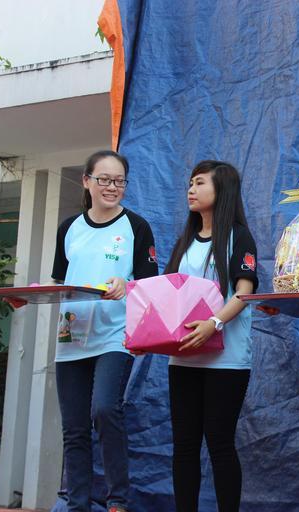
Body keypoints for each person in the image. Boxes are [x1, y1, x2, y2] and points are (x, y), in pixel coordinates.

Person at [51, 150, 158, 512]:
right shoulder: (69, 228)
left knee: (105, 410)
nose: (112, 187)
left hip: (115, 336)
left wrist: (126, 285)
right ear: (87, 181)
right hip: (71, 337)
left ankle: (117, 500)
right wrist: (29, 297)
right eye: (104, 180)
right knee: (74, 428)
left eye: (119, 181)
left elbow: (149, 285)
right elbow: (58, 283)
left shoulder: (136, 227)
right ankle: (78, 504)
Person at [164, 160, 259, 512]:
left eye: (200, 183)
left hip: (227, 360)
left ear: (223, 190)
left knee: (219, 443)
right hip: (183, 359)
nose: (191, 189)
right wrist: (148, 338)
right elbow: (167, 295)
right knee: (184, 446)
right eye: (190, 183)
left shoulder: (239, 237)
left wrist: (213, 324)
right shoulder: (185, 241)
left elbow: (244, 293)